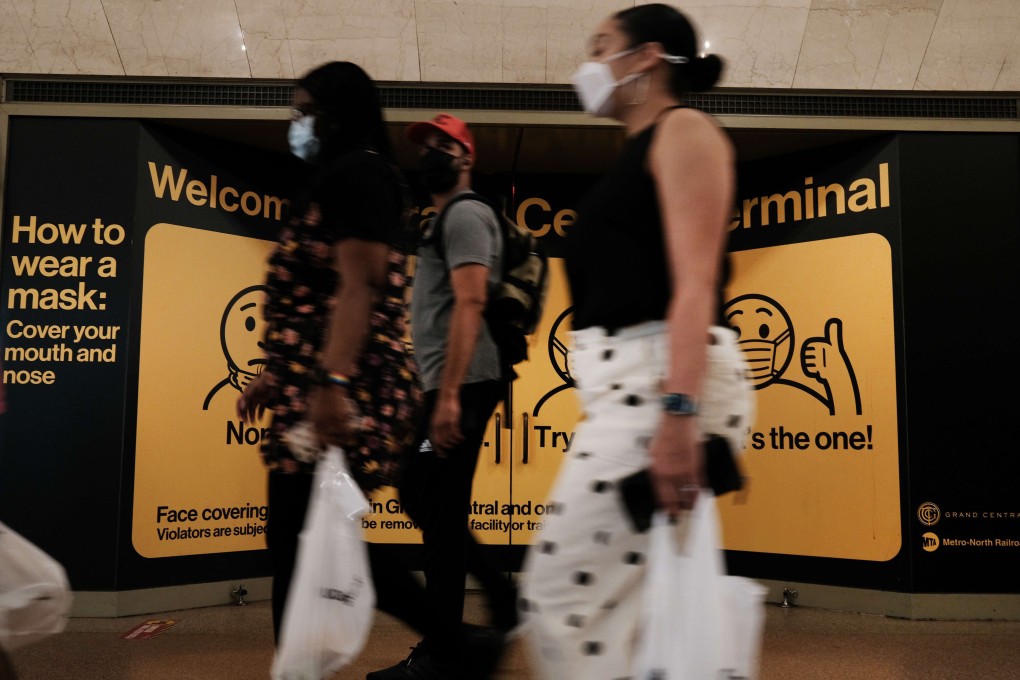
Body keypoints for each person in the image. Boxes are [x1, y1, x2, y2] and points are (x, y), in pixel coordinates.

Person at [518, 4, 755, 678]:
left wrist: (678, 415)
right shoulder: (640, 150)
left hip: (662, 391)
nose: (588, 63)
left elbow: (695, 286)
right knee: (627, 612)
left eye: (601, 46)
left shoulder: (685, 131)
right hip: (631, 392)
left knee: (561, 596)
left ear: (646, 57)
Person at [235, 61, 430, 651]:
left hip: (351, 385)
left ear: (338, 114)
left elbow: (360, 285)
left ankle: (454, 641)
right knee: (306, 535)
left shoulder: (360, 175)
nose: (296, 124)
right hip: (317, 384)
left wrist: (331, 382)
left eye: (305, 111)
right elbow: (320, 298)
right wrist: (280, 373)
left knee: (300, 535)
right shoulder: (343, 178)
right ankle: (454, 642)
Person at [369, 114, 518, 680]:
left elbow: (471, 302)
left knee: (435, 510)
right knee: (426, 502)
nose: (431, 152)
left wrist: (451, 394)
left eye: (444, 145)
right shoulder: (444, 219)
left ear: (466, 158)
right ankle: (489, 610)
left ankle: (442, 653)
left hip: (465, 385)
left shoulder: (467, 214)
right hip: (446, 385)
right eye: (426, 145)